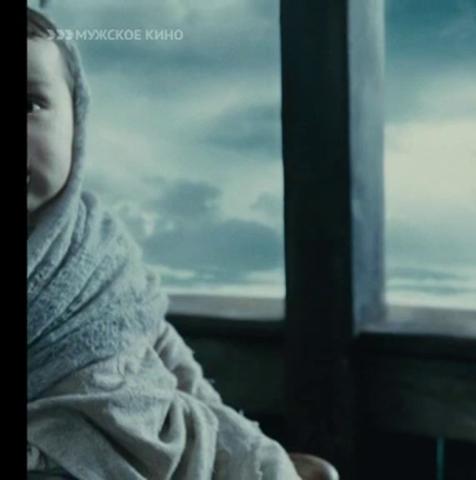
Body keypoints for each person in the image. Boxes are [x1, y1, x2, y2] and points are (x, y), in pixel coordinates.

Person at [27, 7, 324, 479]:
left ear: (76, 121)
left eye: (29, 104)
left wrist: (240, 451)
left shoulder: (99, 250)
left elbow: (166, 354)